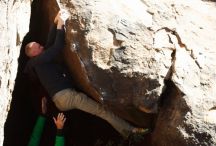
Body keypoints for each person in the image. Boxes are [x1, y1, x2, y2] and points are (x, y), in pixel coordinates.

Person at [24, 10, 146, 138]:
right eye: (37, 46)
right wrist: (60, 24)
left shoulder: (39, 60)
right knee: (101, 111)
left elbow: (49, 44)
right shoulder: (37, 62)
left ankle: (126, 132)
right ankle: (130, 131)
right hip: (66, 96)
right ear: (33, 54)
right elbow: (57, 46)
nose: (40, 45)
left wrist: (55, 23)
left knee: (98, 110)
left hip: (62, 99)